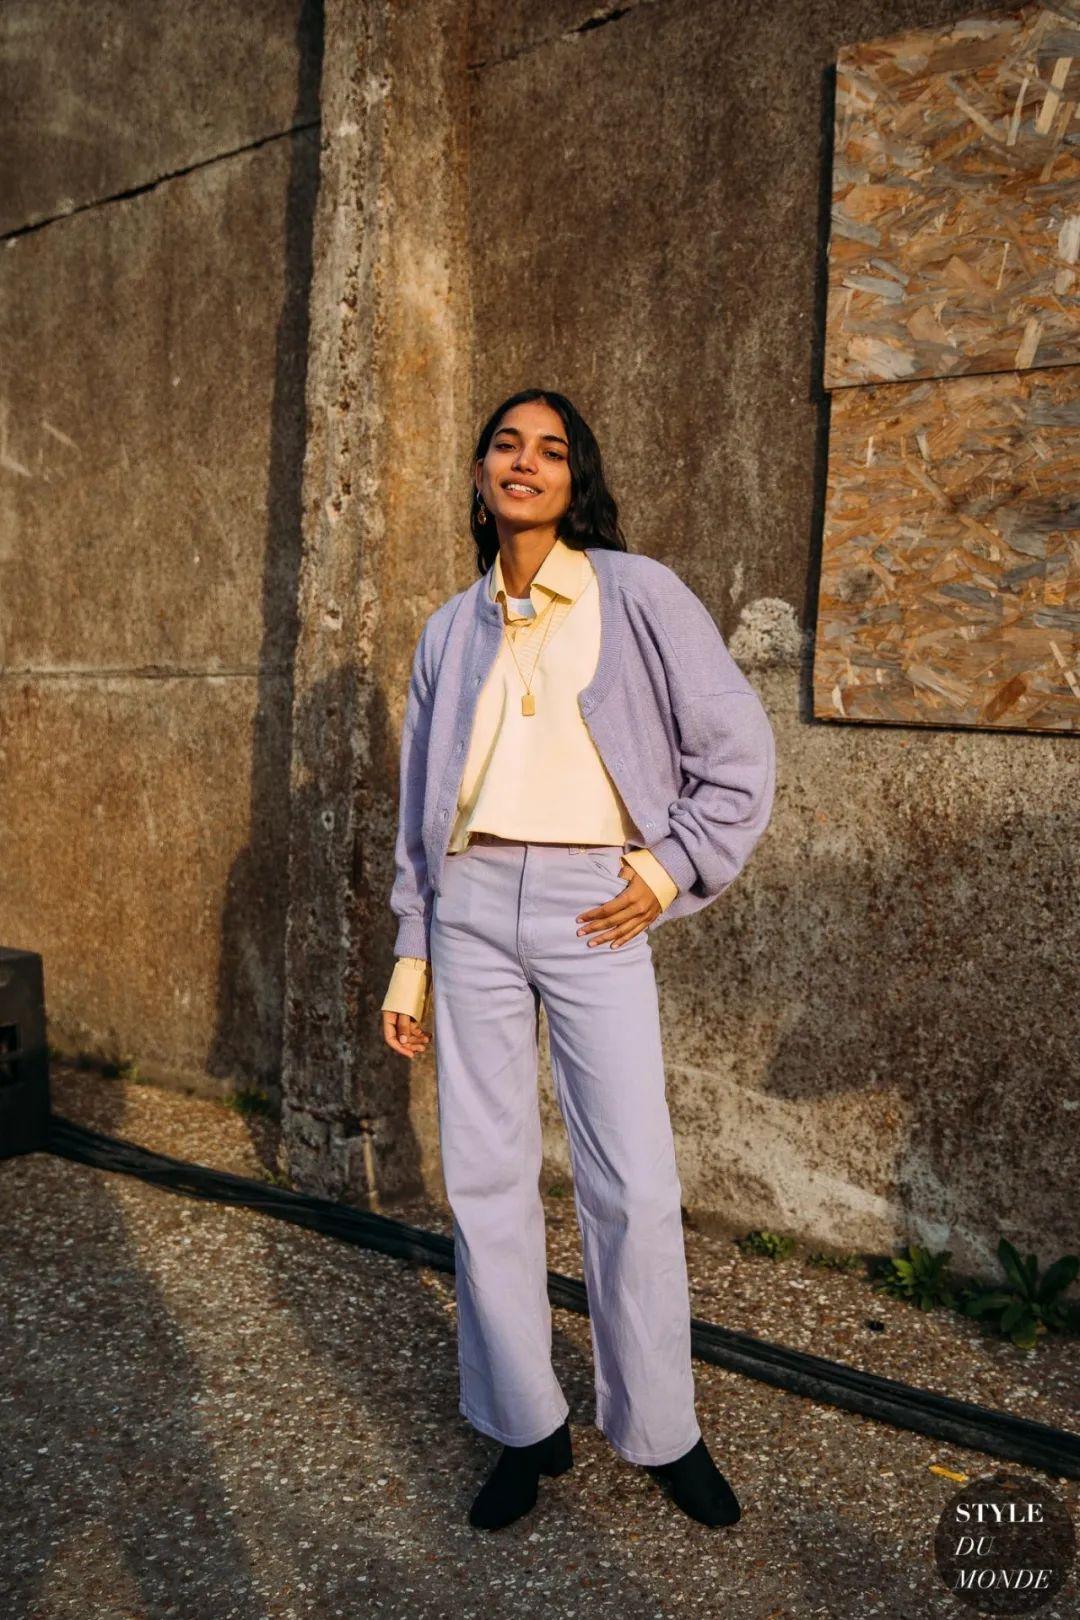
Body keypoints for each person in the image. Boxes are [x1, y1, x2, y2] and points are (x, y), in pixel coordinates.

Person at [380, 388, 776, 1531]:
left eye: (550, 450)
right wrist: (412, 956)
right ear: (478, 475)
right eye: (507, 445)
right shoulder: (449, 629)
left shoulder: (637, 592)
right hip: (469, 909)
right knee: (485, 1179)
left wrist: (668, 868)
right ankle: (523, 1424)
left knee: (633, 1181)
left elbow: (739, 751)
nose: (526, 461)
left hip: (593, 901)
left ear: (575, 479)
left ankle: (661, 1430)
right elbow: (421, 814)